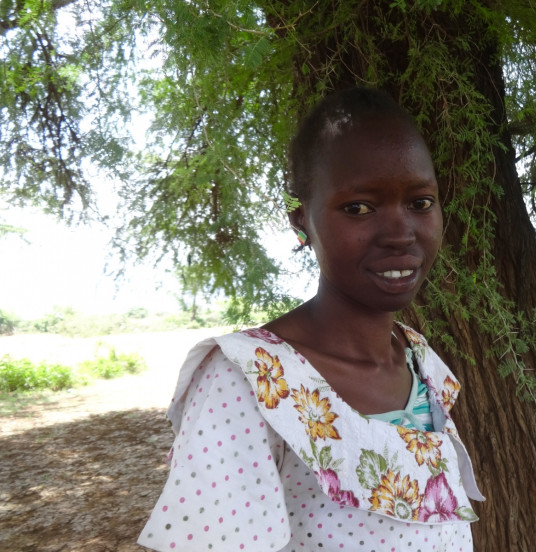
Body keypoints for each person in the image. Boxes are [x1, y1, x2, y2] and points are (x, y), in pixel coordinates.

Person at [138, 87, 484, 552]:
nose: (401, 233)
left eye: (420, 202)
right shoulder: (251, 380)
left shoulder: (419, 360)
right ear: (302, 221)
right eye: (358, 207)